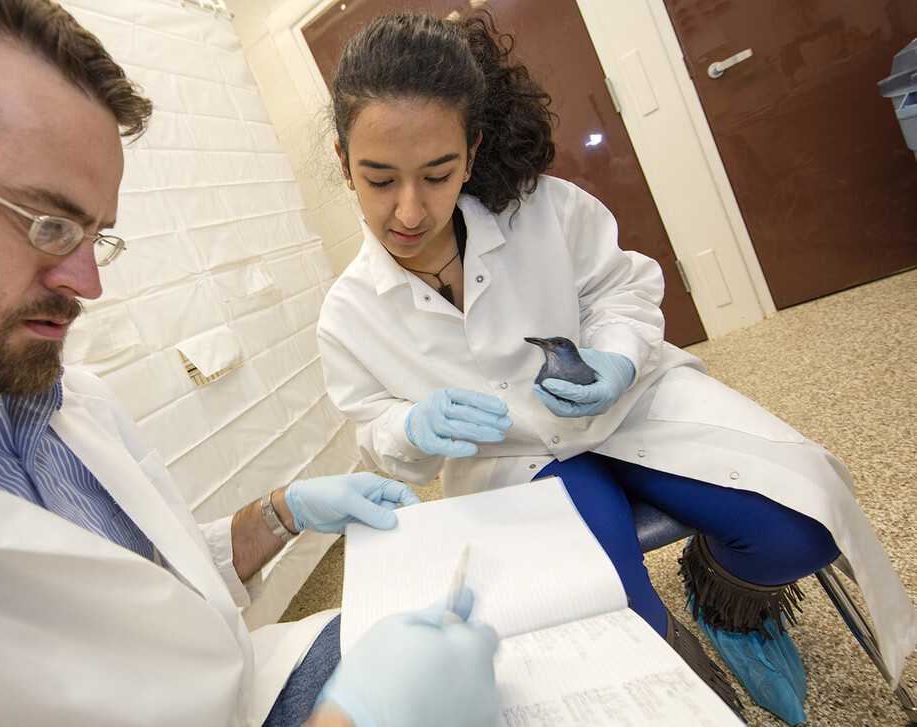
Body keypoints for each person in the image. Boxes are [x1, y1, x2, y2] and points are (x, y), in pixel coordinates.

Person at [0, 2, 502, 726]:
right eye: (45, 223)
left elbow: (153, 602)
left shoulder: (60, 397)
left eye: (95, 234)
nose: (88, 284)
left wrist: (281, 511)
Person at [316, 10, 917, 725]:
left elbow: (621, 288)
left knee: (803, 523)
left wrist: (618, 356)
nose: (410, 210)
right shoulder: (347, 313)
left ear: (471, 154)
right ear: (344, 161)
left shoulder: (544, 209)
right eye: (379, 179)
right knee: (609, 603)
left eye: (437, 174)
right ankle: (684, 680)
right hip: (517, 461)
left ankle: (727, 605)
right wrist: (409, 427)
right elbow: (375, 431)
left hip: (633, 408)